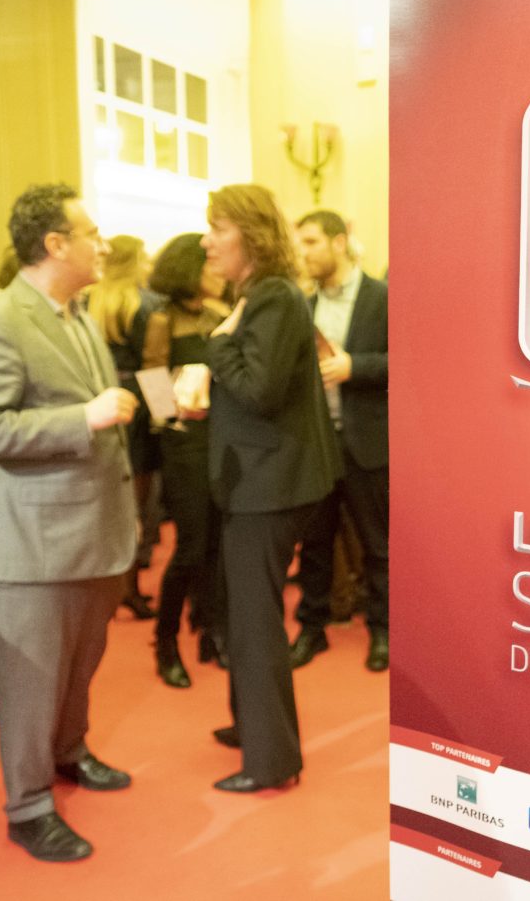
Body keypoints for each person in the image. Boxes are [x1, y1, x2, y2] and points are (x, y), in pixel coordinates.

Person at [0, 183, 137, 862]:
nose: (102, 244)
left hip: (92, 531)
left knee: (79, 665)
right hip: (31, 543)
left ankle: (68, 750)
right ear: (55, 244)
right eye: (91, 233)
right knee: (31, 682)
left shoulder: (76, 313)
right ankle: (28, 807)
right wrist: (83, 418)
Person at [203, 184, 341, 792]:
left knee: (256, 622)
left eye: (218, 228)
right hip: (263, 481)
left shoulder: (274, 297)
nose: (207, 241)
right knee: (245, 613)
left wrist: (216, 344)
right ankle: (253, 727)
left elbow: (258, 391)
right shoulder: (261, 295)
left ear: (251, 236)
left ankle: (271, 760)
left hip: (270, 485)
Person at [289, 210, 390, 672]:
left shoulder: (381, 297)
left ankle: (383, 630)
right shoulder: (302, 304)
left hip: (366, 440)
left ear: (338, 243)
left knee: (378, 545)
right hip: (316, 444)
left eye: (311, 242)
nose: (303, 253)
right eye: (300, 243)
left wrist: (355, 367)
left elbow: (411, 360)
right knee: (314, 545)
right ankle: (312, 628)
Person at [141, 233, 228, 687]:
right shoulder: (162, 320)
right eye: (208, 264)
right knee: (191, 547)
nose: (218, 270)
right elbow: (153, 385)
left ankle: (211, 630)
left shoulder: (219, 314)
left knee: (217, 544)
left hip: (222, 440)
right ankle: (166, 639)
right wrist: (178, 412)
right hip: (184, 443)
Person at [88, 234, 160, 619]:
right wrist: (166, 413)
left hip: (98, 402)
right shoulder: (143, 304)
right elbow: (155, 365)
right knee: (136, 503)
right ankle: (128, 586)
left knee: (104, 503)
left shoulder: (88, 300)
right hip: (138, 406)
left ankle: (105, 587)